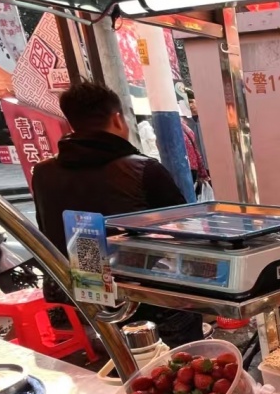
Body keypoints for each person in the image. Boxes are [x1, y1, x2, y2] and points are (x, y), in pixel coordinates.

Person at [33, 80, 203, 346]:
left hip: (83, 295)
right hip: (149, 300)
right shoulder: (143, 169)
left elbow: (47, 229)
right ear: (117, 119)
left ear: (71, 123)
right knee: (180, 367)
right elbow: (183, 233)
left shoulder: (43, 173)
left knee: (124, 367)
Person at [181, 116, 210, 197]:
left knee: (187, 195)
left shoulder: (176, 131)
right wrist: (202, 172)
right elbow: (196, 149)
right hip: (193, 166)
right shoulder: (187, 129)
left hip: (186, 167)